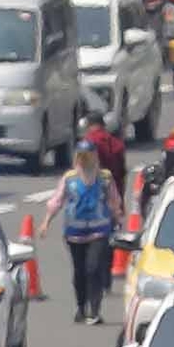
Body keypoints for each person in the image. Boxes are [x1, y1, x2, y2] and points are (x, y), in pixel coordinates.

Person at [51, 136, 121, 324]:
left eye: (88, 155)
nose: (84, 159)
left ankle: (95, 311)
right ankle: (81, 307)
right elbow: (57, 200)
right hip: (74, 233)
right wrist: (46, 222)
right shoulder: (70, 178)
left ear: (94, 156)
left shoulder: (105, 177)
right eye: (81, 155)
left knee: (93, 268)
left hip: (99, 231)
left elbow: (113, 200)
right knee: (79, 271)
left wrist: (118, 217)